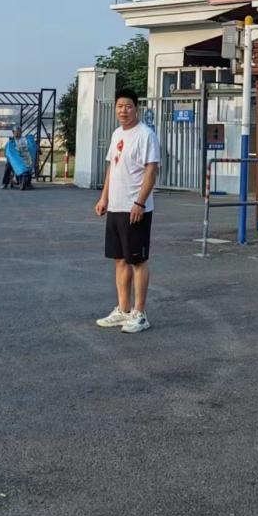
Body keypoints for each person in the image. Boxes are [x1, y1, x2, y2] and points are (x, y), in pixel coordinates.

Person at [95, 90, 160, 334]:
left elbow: (151, 171)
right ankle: (122, 310)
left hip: (136, 209)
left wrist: (140, 203)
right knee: (120, 259)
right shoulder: (117, 134)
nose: (123, 110)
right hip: (116, 207)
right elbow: (112, 167)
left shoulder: (146, 135)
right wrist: (104, 197)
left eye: (128, 106)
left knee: (138, 260)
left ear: (136, 108)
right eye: (120, 106)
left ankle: (139, 313)